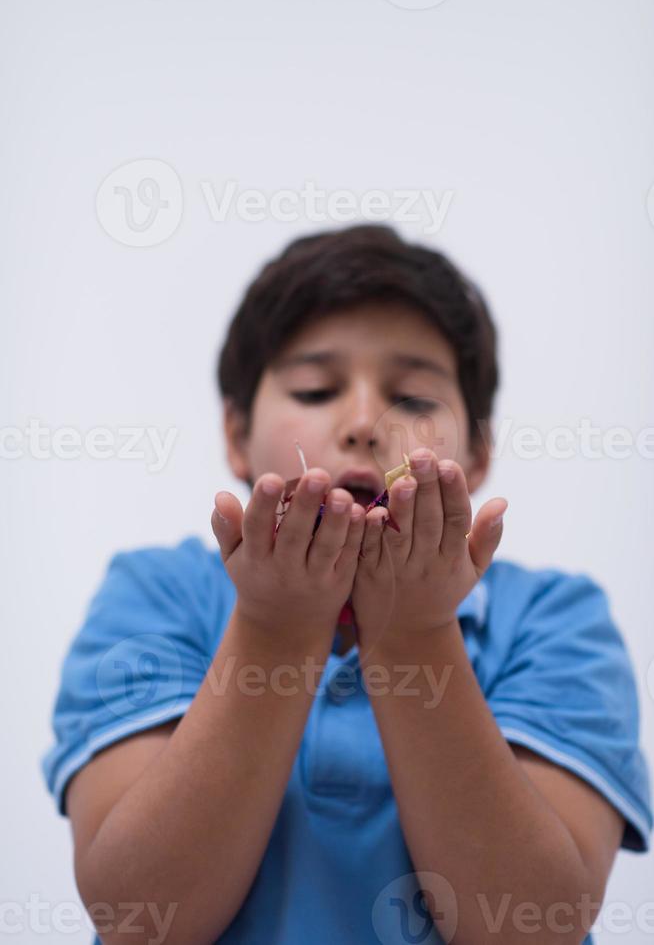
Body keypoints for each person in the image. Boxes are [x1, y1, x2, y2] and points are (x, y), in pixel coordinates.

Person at [41, 224, 652, 945]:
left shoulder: (556, 620)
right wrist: (274, 630)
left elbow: (531, 925)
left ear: (480, 453)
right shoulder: (154, 594)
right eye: (315, 387)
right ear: (235, 433)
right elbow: (139, 915)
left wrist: (413, 631)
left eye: (415, 401)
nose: (365, 422)